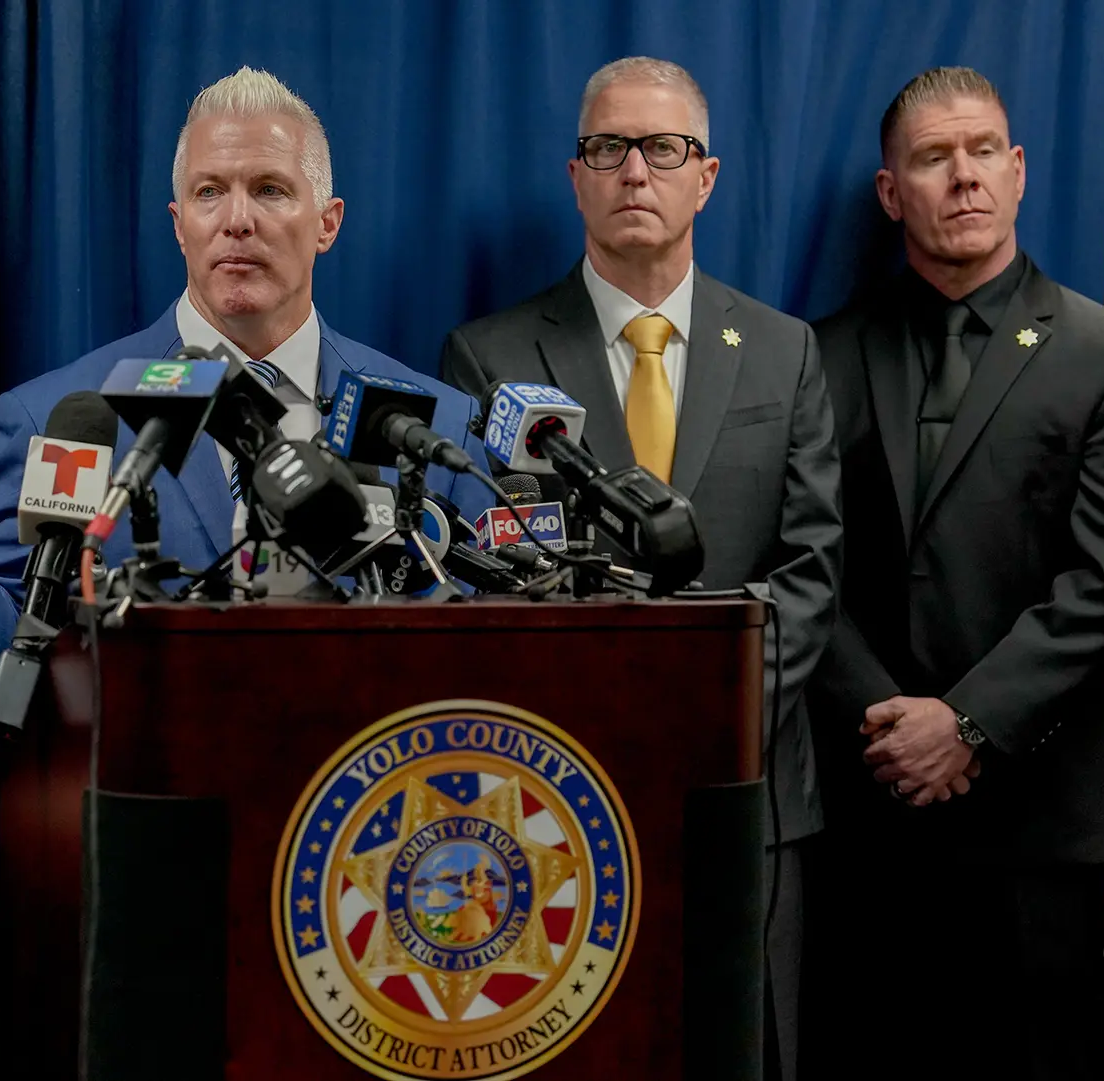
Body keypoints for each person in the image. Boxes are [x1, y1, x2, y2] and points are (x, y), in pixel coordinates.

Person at [440, 56, 842, 1080]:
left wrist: (706, 702)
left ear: (704, 176)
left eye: (662, 148)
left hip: (746, 787)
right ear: (574, 175)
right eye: (608, 148)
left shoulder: (787, 351)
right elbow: (490, 573)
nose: (634, 170)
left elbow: (810, 568)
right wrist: (618, 710)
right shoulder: (489, 358)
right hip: (561, 789)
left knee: (747, 1050)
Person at [806, 67, 1104, 1080]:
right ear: (892, 193)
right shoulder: (821, 356)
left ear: (1016, 173)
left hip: (1038, 820)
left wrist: (964, 725)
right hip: (870, 814)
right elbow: (806, 565)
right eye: (932, 158)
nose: (961, 178)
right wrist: (893, 723)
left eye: (982, 154)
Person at [0, 67, 491, 692]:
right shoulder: (57, 417)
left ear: (327, 223)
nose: (238, 220)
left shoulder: (435, 423)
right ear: (180, 224)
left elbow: (492, 640)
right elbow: (13, 650)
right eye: (210, 192)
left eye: (269, 189)